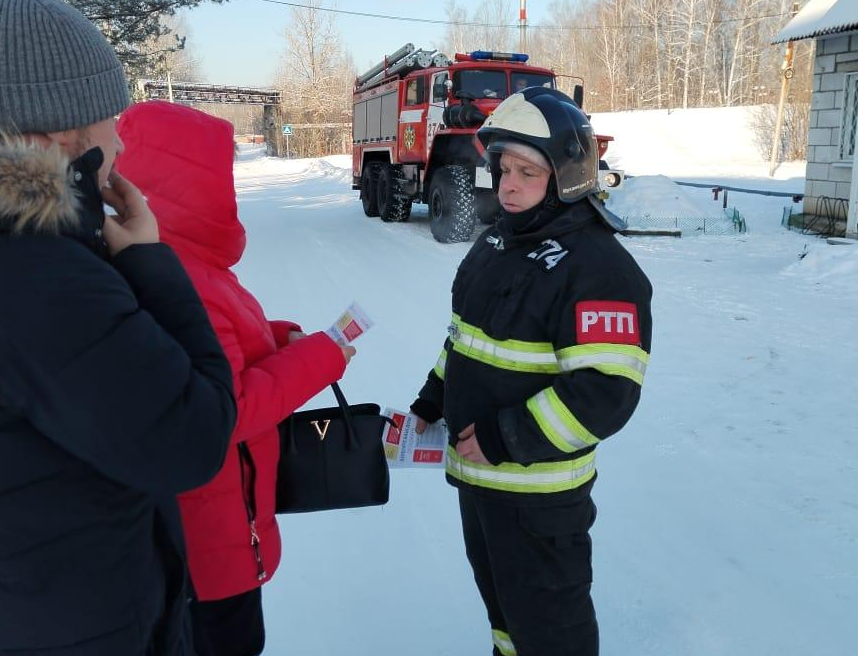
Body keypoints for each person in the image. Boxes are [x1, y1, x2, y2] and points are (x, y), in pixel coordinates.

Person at [0, 1, 237, 654]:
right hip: (83, 622)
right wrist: (150, 266)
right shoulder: (40, 274)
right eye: (111, 117)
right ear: (54, 136)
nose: (123, 140)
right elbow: (193, 436)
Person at [410, 87, 653, 656]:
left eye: (528, 172)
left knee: (551, 633)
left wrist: (502, 437)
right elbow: (467, 341)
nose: (509, 185)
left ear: (567, 177)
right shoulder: (498, 241)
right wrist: (433, 398)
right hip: (483, 487)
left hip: (539, 500)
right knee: (507, 619)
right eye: (502, 168)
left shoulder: (600, 270)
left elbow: (603, 394)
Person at [115, 100, 356, 656]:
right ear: (190, 180)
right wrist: (325, 355)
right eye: (222, 174)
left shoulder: (171, 263)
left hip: (198, 529)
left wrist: (277, 337)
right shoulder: (179, 277)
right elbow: (230, 405)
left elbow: (215, 345)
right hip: (211, 544)